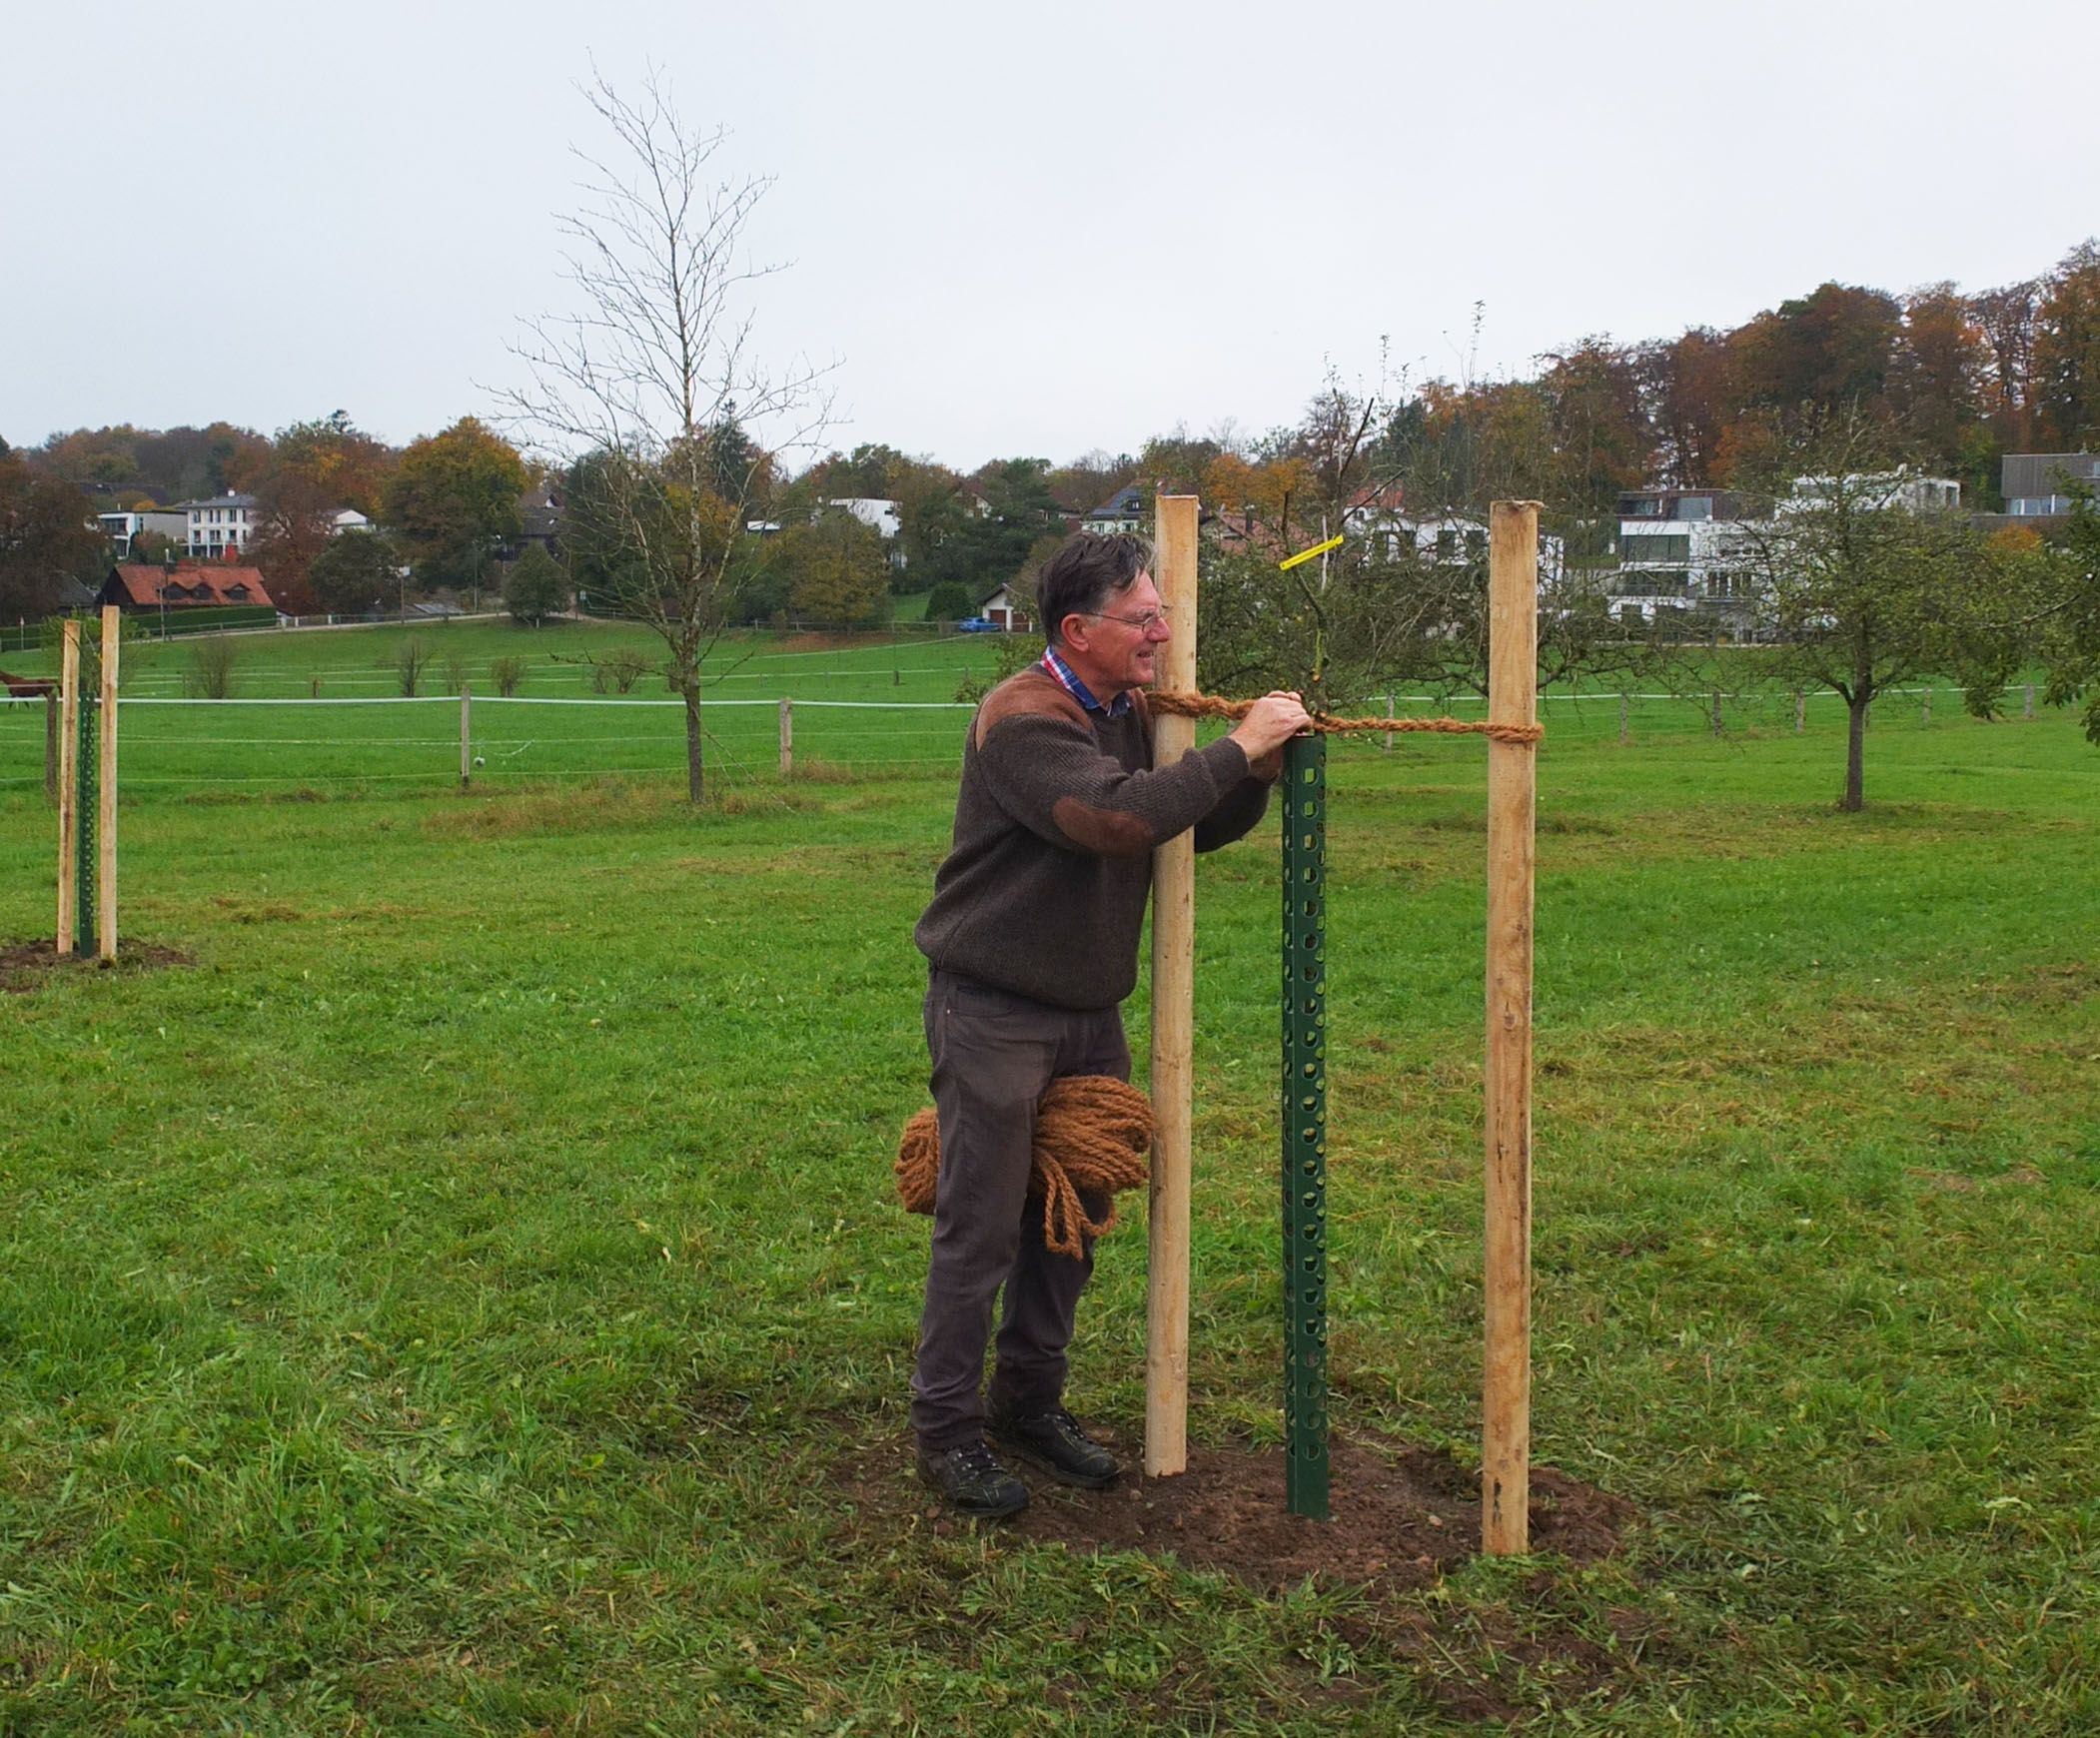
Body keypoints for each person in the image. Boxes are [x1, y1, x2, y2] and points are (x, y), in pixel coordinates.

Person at [910, 530, 1311, 1516]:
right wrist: (1237, 745)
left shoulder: (1131, 713)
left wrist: (1249, 773)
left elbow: (1189, 820)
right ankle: (945, 1431)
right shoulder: (1020, 718)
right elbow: (1113, 820)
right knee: (983, 1225)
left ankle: (1027, 1406)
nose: (1161, 634)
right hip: (993, 1009)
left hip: (1088, 1012)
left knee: (1072, 1219)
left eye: (1160, 615)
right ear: (1077, 629)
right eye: (1143, 619)